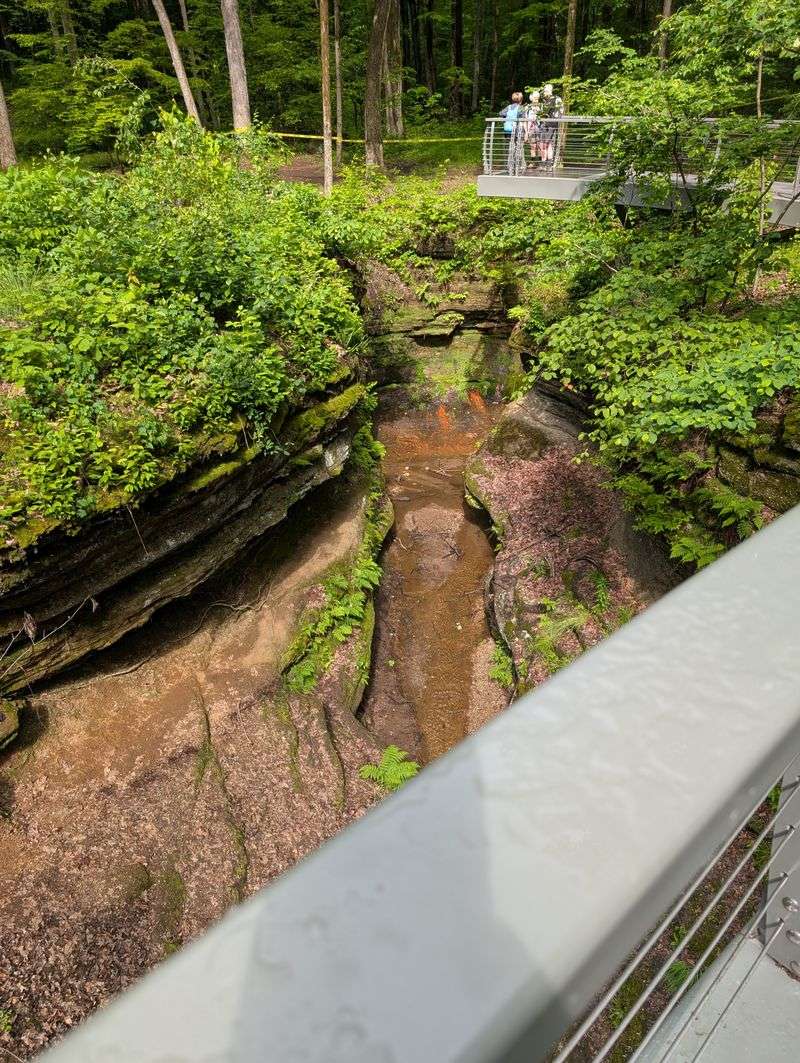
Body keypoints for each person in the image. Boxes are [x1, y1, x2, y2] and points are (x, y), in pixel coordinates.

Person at [538, 83, 564, 170]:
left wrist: (555, 119)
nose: (544, 92)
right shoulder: (545, 100)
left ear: (549, 90)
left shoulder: (556, 98)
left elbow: (561, 110)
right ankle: (544, 163)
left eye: (545, 90)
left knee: (547, 143)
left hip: (551, 124)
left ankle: (548, 164)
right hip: (543, 124)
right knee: (543, 144)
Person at [499, 92, 524, 173]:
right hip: (516, 131)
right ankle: (517, 165)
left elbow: (501, 113)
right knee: (518, 147)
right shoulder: (521, 108)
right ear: (521, 100)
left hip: (507, 130)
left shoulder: (509, 107)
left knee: (510, 146)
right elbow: (523, 117)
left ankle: (510, 164)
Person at [524, 89, 542, 170]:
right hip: (531, 129)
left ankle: (541, 163)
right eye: (535, 98)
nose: (536, 99)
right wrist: (526, 132)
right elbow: (525, 120)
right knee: (533, 146)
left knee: (540, 146)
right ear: (531, 98)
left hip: (540, 128)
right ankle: (533, 162)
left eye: (537, 98)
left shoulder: (541, 106)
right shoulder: (528, 107)